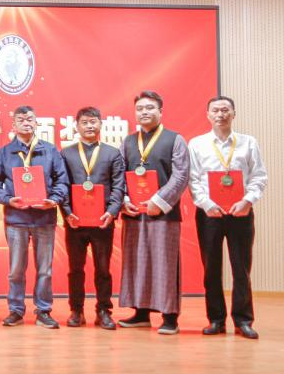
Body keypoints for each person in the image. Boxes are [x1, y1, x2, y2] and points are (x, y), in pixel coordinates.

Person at [188, 95, 267, 339]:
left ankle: (243, 320)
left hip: (240, 212)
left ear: (234, 114)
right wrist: (206, 204)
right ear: (208, 115)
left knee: (241, 268)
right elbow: (193, 179)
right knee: (211, 268)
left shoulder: (248, 142)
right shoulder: (197, 144)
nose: (220, 114)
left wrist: (247, 201)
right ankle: (216, 320)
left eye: (225, 110)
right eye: (215, 110)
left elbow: (259, 176)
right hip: (209, 214)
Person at [0, 106, 70, 329]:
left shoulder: (50, 150)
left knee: (45, 270)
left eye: (30, 119)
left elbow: (62, 181)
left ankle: (43, 310)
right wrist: (8, 200)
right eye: (21, 119)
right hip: (16, 219)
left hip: (44, 218)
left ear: (36, 123)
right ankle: (16, 310)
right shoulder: (5, 153)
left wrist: (53, 199)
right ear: (14, 125)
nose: (26, 123)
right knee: (16, 270)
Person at [118, 90, 191, 335]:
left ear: (160, 111)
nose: (144, 112)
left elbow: (181, 175)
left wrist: (159, 200)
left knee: (164, 264)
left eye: (149, 108)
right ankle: (141, 313)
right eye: (140, 109)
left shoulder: (175, 140)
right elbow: (119, 174)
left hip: (163, 214)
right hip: (134, 213)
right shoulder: (128, 142)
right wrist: (124, 200)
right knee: (137, 262)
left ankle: (170, 317)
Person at [59, 106, 126, 330]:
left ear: (100, 124)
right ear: (76, 126)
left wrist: (112, 211)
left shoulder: (112, 153)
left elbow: (118, 186)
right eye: (84, 122)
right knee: (75, 269)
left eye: (93, 121)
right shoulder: (66, 153)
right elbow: (62, 185)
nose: (89, 126)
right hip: (75, 222)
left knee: (103, 269)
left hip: (103, 221)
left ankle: (104, 311)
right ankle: (76, 310)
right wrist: (67, 212)